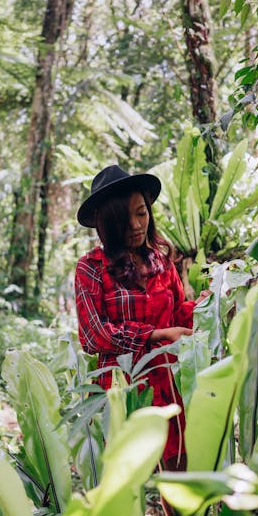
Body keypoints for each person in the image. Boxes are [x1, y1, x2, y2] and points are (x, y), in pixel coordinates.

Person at [75, 164, 208, 479]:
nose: (136, 225)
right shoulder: (91, 268)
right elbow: (94, 336)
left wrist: (209, 306)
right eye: (125, 219)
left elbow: (177, 313)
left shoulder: (160, 261)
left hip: (168, 383)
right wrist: (155, 334)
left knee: (179, 478)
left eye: (142, 213)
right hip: (123, 388)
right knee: (126, 483)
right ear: (108, 223)